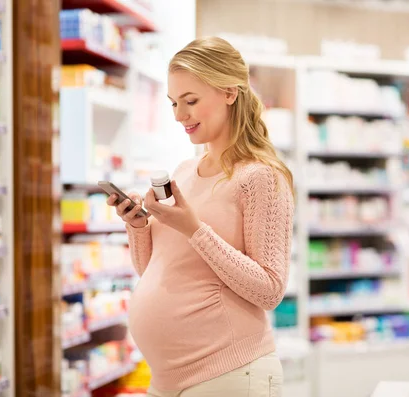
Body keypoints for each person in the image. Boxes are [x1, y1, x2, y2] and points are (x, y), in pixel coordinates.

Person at [106, 37, 294, 397]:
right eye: (174, 103)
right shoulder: (185, 172)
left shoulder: (260, 177)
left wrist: (194, 229)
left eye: (190, 101)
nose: (179, 115)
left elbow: (270, 289)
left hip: (230, 374)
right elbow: (157, 270)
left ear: (229, 92)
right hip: (167, 381)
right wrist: (138, 226)